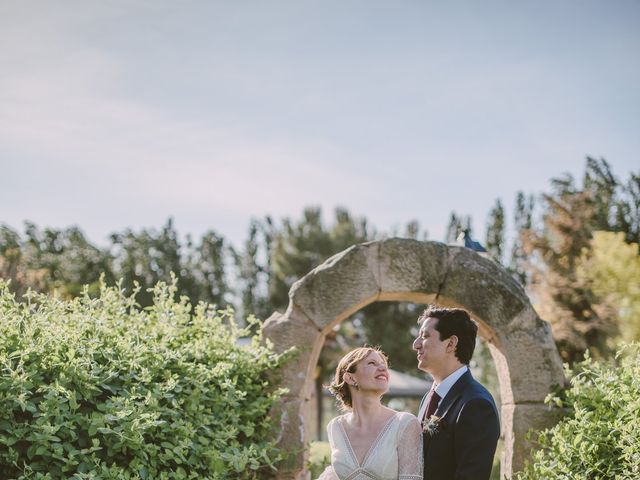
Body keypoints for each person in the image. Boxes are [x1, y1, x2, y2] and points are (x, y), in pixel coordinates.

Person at [413, 305, 500, 480]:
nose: (416, 344)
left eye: (425, 336)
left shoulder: (476, 404)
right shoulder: (427, 399)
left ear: (451, 343)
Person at [316, 347, 423, 480]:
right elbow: (334, 472)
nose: (383, 368)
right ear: (350, 378)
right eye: (372, 363)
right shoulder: (335, 427)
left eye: (383, 364)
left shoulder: (405, 423)